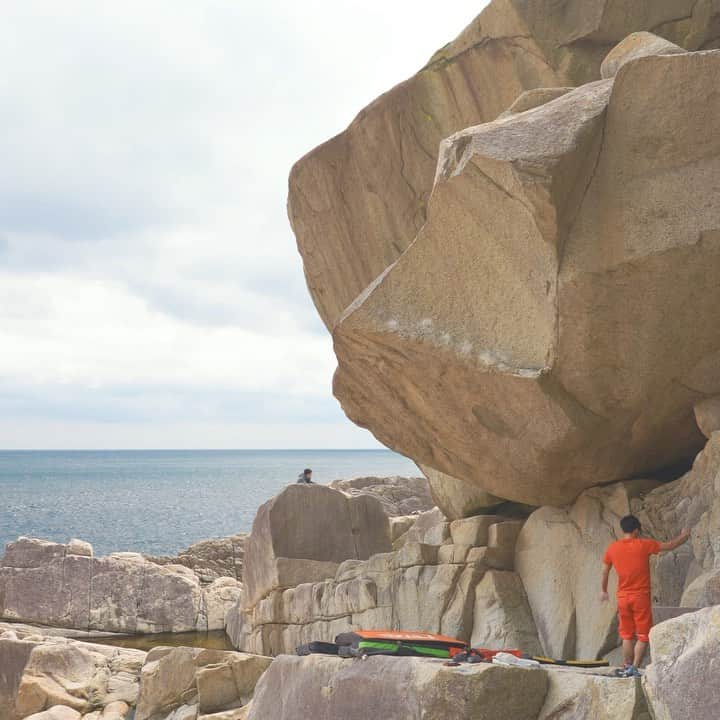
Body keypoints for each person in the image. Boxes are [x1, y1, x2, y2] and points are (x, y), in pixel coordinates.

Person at [600, 514, 690, 677]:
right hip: (640, 596)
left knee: (627, 635)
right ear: (636, 530)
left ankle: (626, 666)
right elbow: (669, 546)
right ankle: (634, 667)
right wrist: (684, 535)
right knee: (642, 635)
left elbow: (605, 571)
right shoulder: (644, 545)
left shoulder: (612, 548)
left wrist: (604, 590)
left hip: (622, 597)